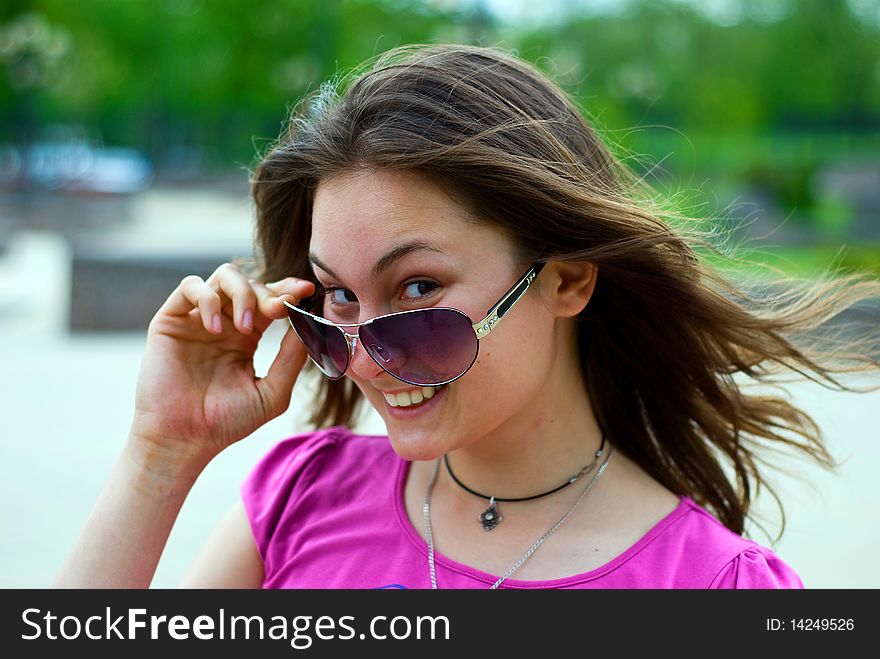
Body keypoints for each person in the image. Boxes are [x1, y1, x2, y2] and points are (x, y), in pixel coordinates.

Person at [55, 44, 879, 589]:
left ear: (566, 280)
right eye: (336, 298)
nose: (369, 358)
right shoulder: (301, 499)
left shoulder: (713, 585)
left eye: (417, 292)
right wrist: (159, 455)